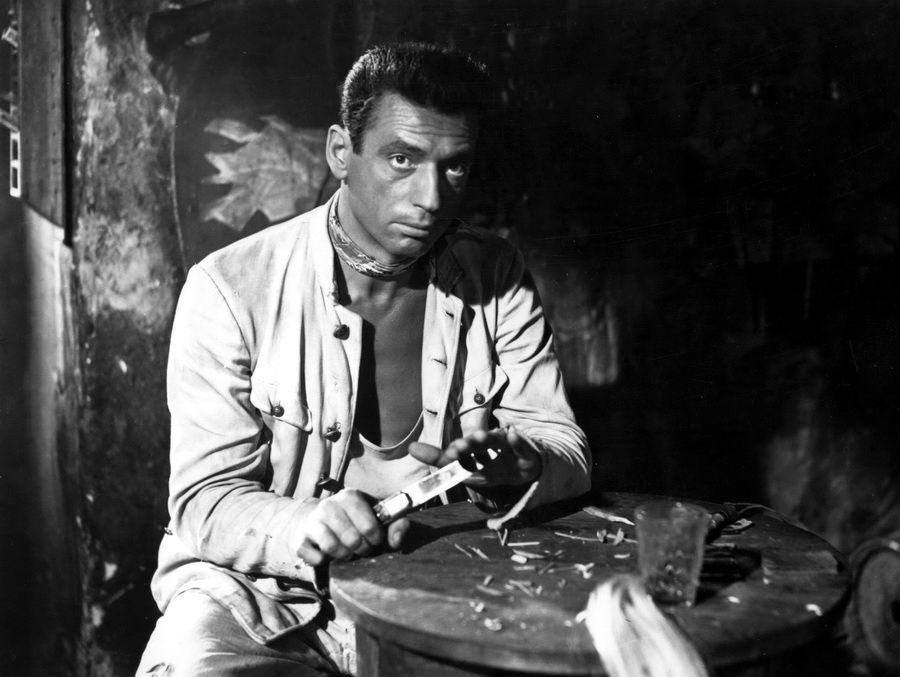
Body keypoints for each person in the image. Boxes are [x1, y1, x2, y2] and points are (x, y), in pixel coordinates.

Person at [137, 41, 590, 676]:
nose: (430, 197)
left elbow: (563, 443)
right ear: (340, 152)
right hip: (258, 598)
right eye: (402, 159)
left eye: (454, 167)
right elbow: (204, 501)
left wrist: (525, 465)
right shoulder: (230, 288)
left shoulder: (497, 275)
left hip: (439, 585)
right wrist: (306, 526)